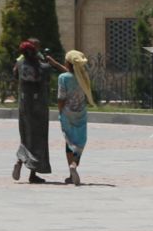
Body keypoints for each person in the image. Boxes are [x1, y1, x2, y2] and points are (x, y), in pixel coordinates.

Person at [51, 49, 95, 185]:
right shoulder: (84, 76)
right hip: (81, 113)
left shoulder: (63, 78)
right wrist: (55, 64)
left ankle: (71, 174)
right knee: (80, 142)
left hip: (67, 113)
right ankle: (74, 165)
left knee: (69, 142)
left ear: (68, 63)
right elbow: (74, 74)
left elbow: (60, 98)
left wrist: (60, 111)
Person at [11, 40, 53, 183]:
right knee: (38, 140)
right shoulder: (43, 67)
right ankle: (32, 174)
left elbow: (15, 75)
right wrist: (45, 60)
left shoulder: (20, 65)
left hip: (24, 106)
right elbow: (47, 77)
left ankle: (19, 161)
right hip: (39, 108)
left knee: (26, 136)